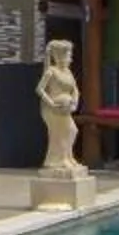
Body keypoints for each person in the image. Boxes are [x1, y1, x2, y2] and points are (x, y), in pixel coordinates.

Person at [38, 38, 81, 174]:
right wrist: (51, 103)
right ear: (60, 56)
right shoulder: (51, 71)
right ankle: (61, 159)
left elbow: (75, 90)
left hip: (66, 109)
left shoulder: (68, 72)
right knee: (62, 133)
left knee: (72, 131)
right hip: (54, 110)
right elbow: (39, 89)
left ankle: (68, 156)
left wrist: (75, 102)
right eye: (68, 56)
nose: (70, 59)